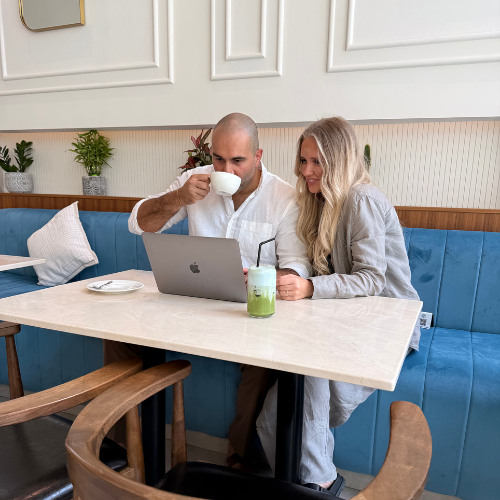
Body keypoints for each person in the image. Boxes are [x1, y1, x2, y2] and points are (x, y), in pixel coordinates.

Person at [105, 113, 312, 457]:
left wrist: (266, 277)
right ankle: (117, 448)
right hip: (191, 304)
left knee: (266, 361)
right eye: (218, 159)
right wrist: (177, 198)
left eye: (238, 161)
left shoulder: (284, 198)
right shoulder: (194, 182)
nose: (226, 171)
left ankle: (240, 458)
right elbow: (137, 223)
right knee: (119, 334)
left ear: (258, 156)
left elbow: (296, 266)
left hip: (246, 313)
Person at [255, 117, 421, 497]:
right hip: (343, 319)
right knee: (272, 415)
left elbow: (372, 279)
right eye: (303, 160)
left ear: (339, 161)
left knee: (309, 367)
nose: (306, 171)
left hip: (388, 324)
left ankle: (320, 480)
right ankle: (302, 481)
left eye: (317, 162)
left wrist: (310, 287)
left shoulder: (362, 199)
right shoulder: (317, 201)